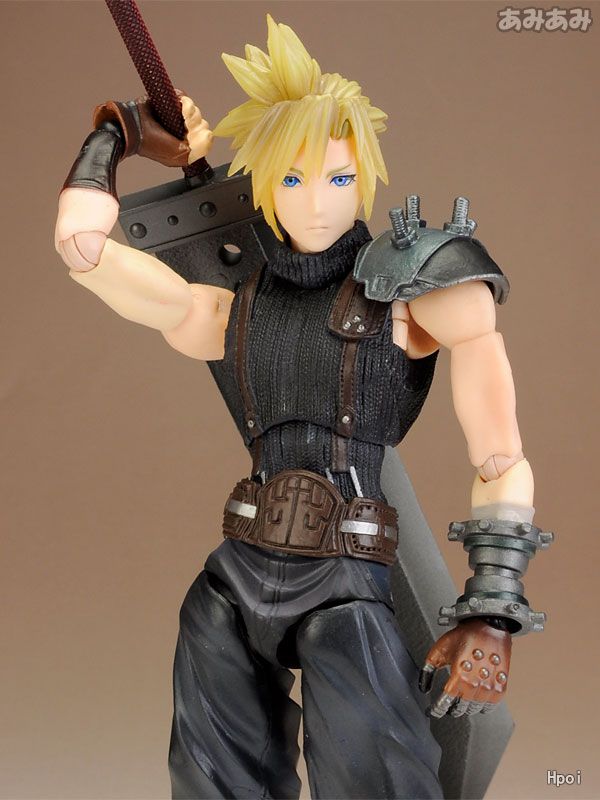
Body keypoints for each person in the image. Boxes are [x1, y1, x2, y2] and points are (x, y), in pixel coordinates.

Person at [55, 15, 546, 800]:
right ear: (262, 185)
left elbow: (500, 456)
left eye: (338, 179)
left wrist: (492, 608)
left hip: (346, 591)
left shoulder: (412, 298)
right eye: (291, 179)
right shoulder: (230, 308)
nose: (316, 202)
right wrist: (117, 134)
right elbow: (83, 249)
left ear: (367, 178)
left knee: (375, 782)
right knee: (210, 783)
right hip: (232, 582)